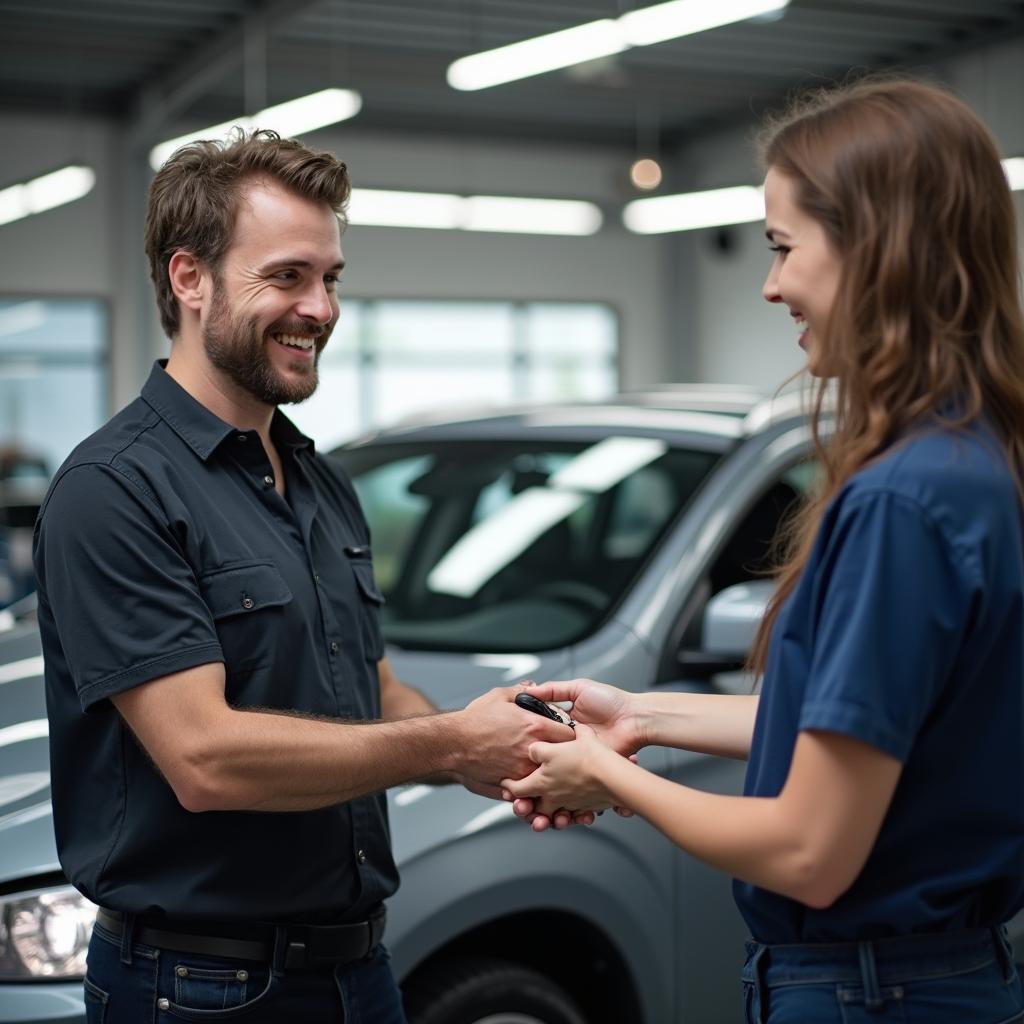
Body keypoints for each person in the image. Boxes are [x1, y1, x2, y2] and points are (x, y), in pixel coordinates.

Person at [504, 78, 1024, 1022]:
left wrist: (605, 774)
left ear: (874, 249)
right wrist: (646, 717)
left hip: (877, 997)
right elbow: (872, 731)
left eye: (784, 248)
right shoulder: (976, 459)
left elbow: (808, 853)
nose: (771, 284)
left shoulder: (903, 503)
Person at [33, 130, 573, 1023]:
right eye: (287, 276)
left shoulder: (316, 478)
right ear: (190, 278)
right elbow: (203, 757)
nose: (320, 308)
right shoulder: (115, 489)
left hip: (358, 973)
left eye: (332, 279)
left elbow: (377, 692)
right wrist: (446, 746)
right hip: (201, 989)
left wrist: (506, 745)